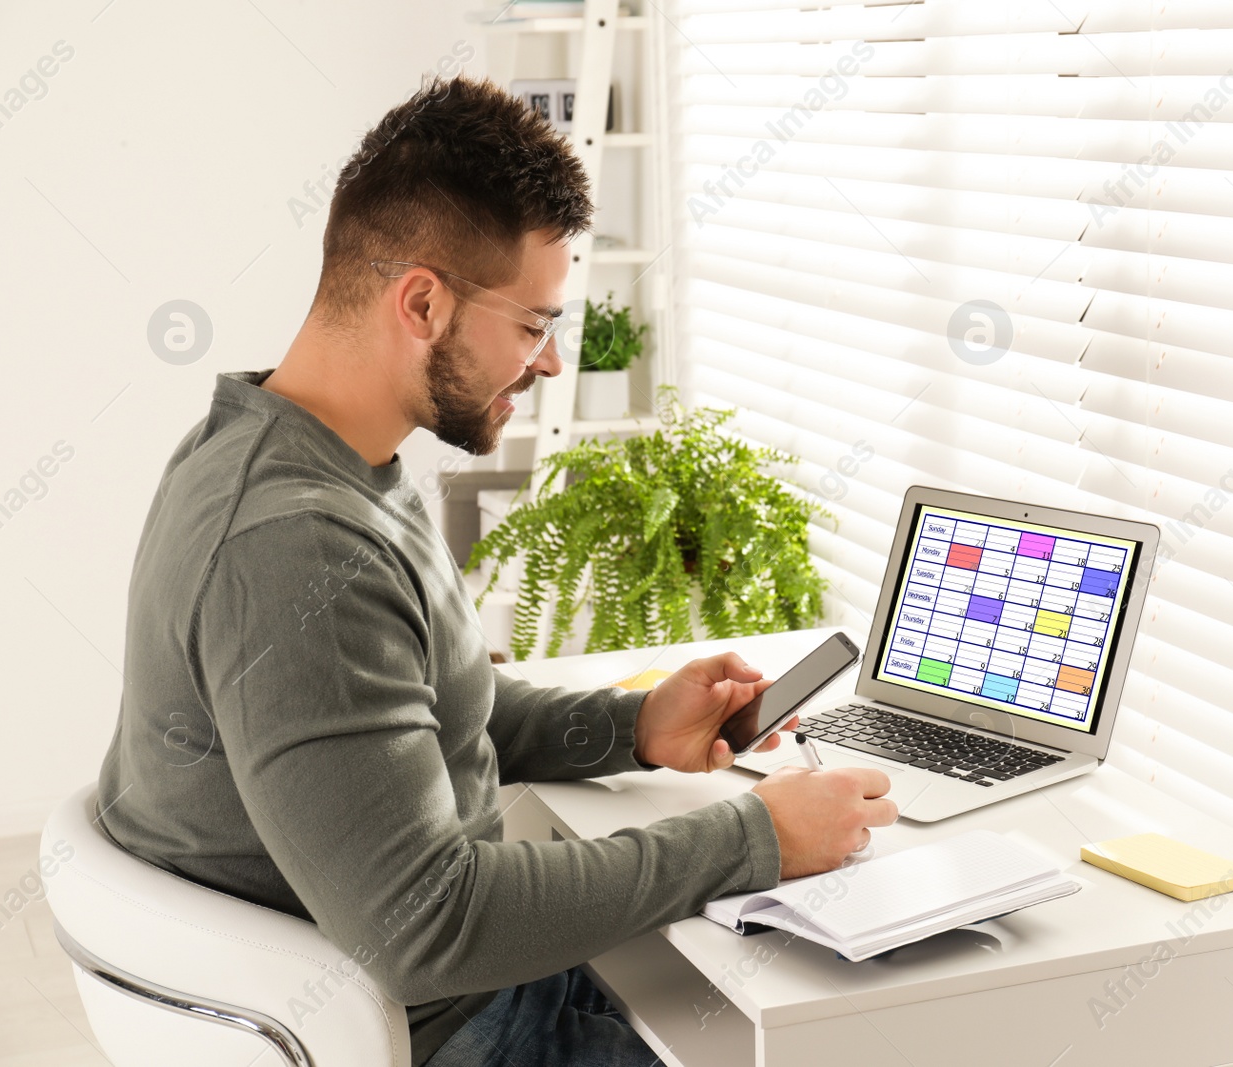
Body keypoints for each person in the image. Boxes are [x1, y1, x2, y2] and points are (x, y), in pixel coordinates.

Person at [94, 74, 897, 1067]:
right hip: (466, 1027)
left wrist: (631, 726)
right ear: (424, 301)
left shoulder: (295, 449)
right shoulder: (296, 546)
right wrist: (755, 838)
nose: (553, 363)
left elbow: (421, 712)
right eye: (533, 325)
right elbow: (433, 924)